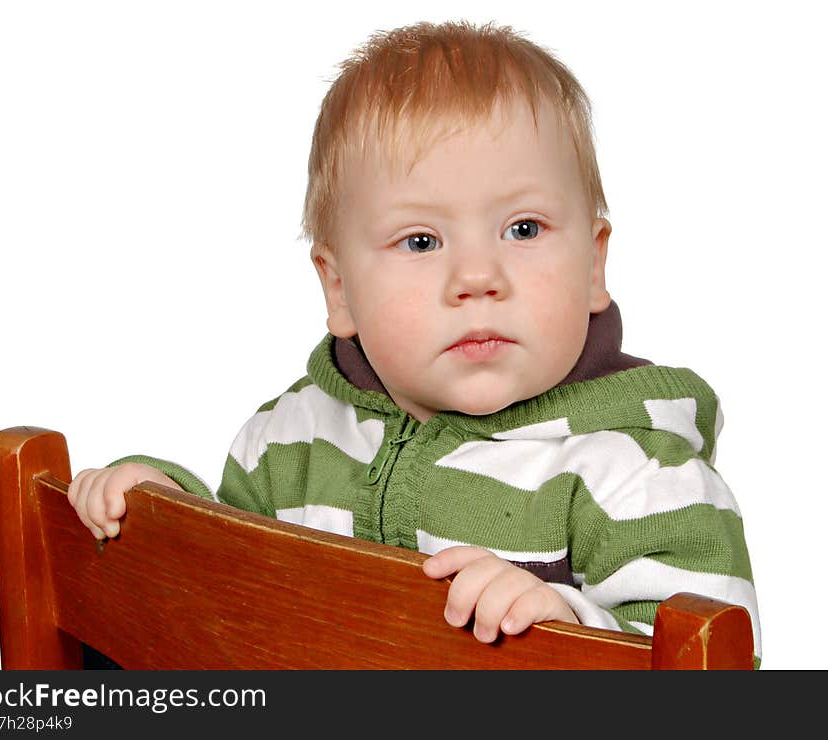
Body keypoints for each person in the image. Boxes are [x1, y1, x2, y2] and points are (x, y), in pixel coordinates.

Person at [67, 20, 761, 662]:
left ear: (593, 265)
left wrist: (565, 623)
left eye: (523, 229)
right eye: (421, 240)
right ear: (339, 290)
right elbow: (231, 585)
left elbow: (715, 665)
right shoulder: (290, 440)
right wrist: (160, 509)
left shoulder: (639, 473)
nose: (479, 277)